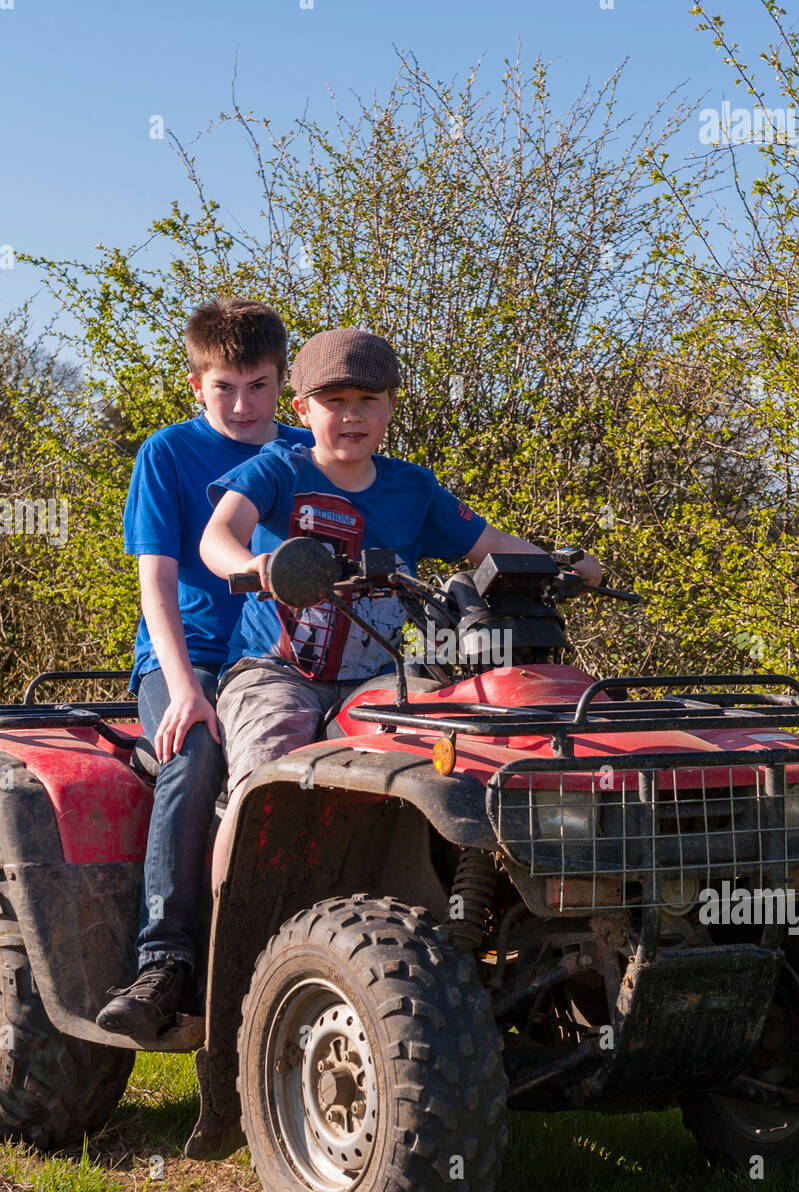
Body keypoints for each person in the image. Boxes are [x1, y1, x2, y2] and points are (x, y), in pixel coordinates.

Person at [199, 327, 603, 803]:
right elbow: (217, 537)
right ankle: (243, 870)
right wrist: (256, 564)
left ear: (390, 405)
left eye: (368, 398)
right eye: (334, 400)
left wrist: (564, 565)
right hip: (277, 671)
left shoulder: (413, 488)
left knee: (444, 756)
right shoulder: (277, 469)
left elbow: (490, 545)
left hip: (384, 675)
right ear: (303, 410)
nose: (352, 414)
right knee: (270, 762)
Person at [96, 298, 312, 1039]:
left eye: (258, 385)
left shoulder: (300, 453)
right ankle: (166, 963)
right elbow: (154, 579)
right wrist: (183, 685)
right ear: (198, 386)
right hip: (182, 656)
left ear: (283, 384)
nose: (243, 404)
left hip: (275, 662)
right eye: (226, 387)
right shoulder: (168, 454)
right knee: (195, 751)